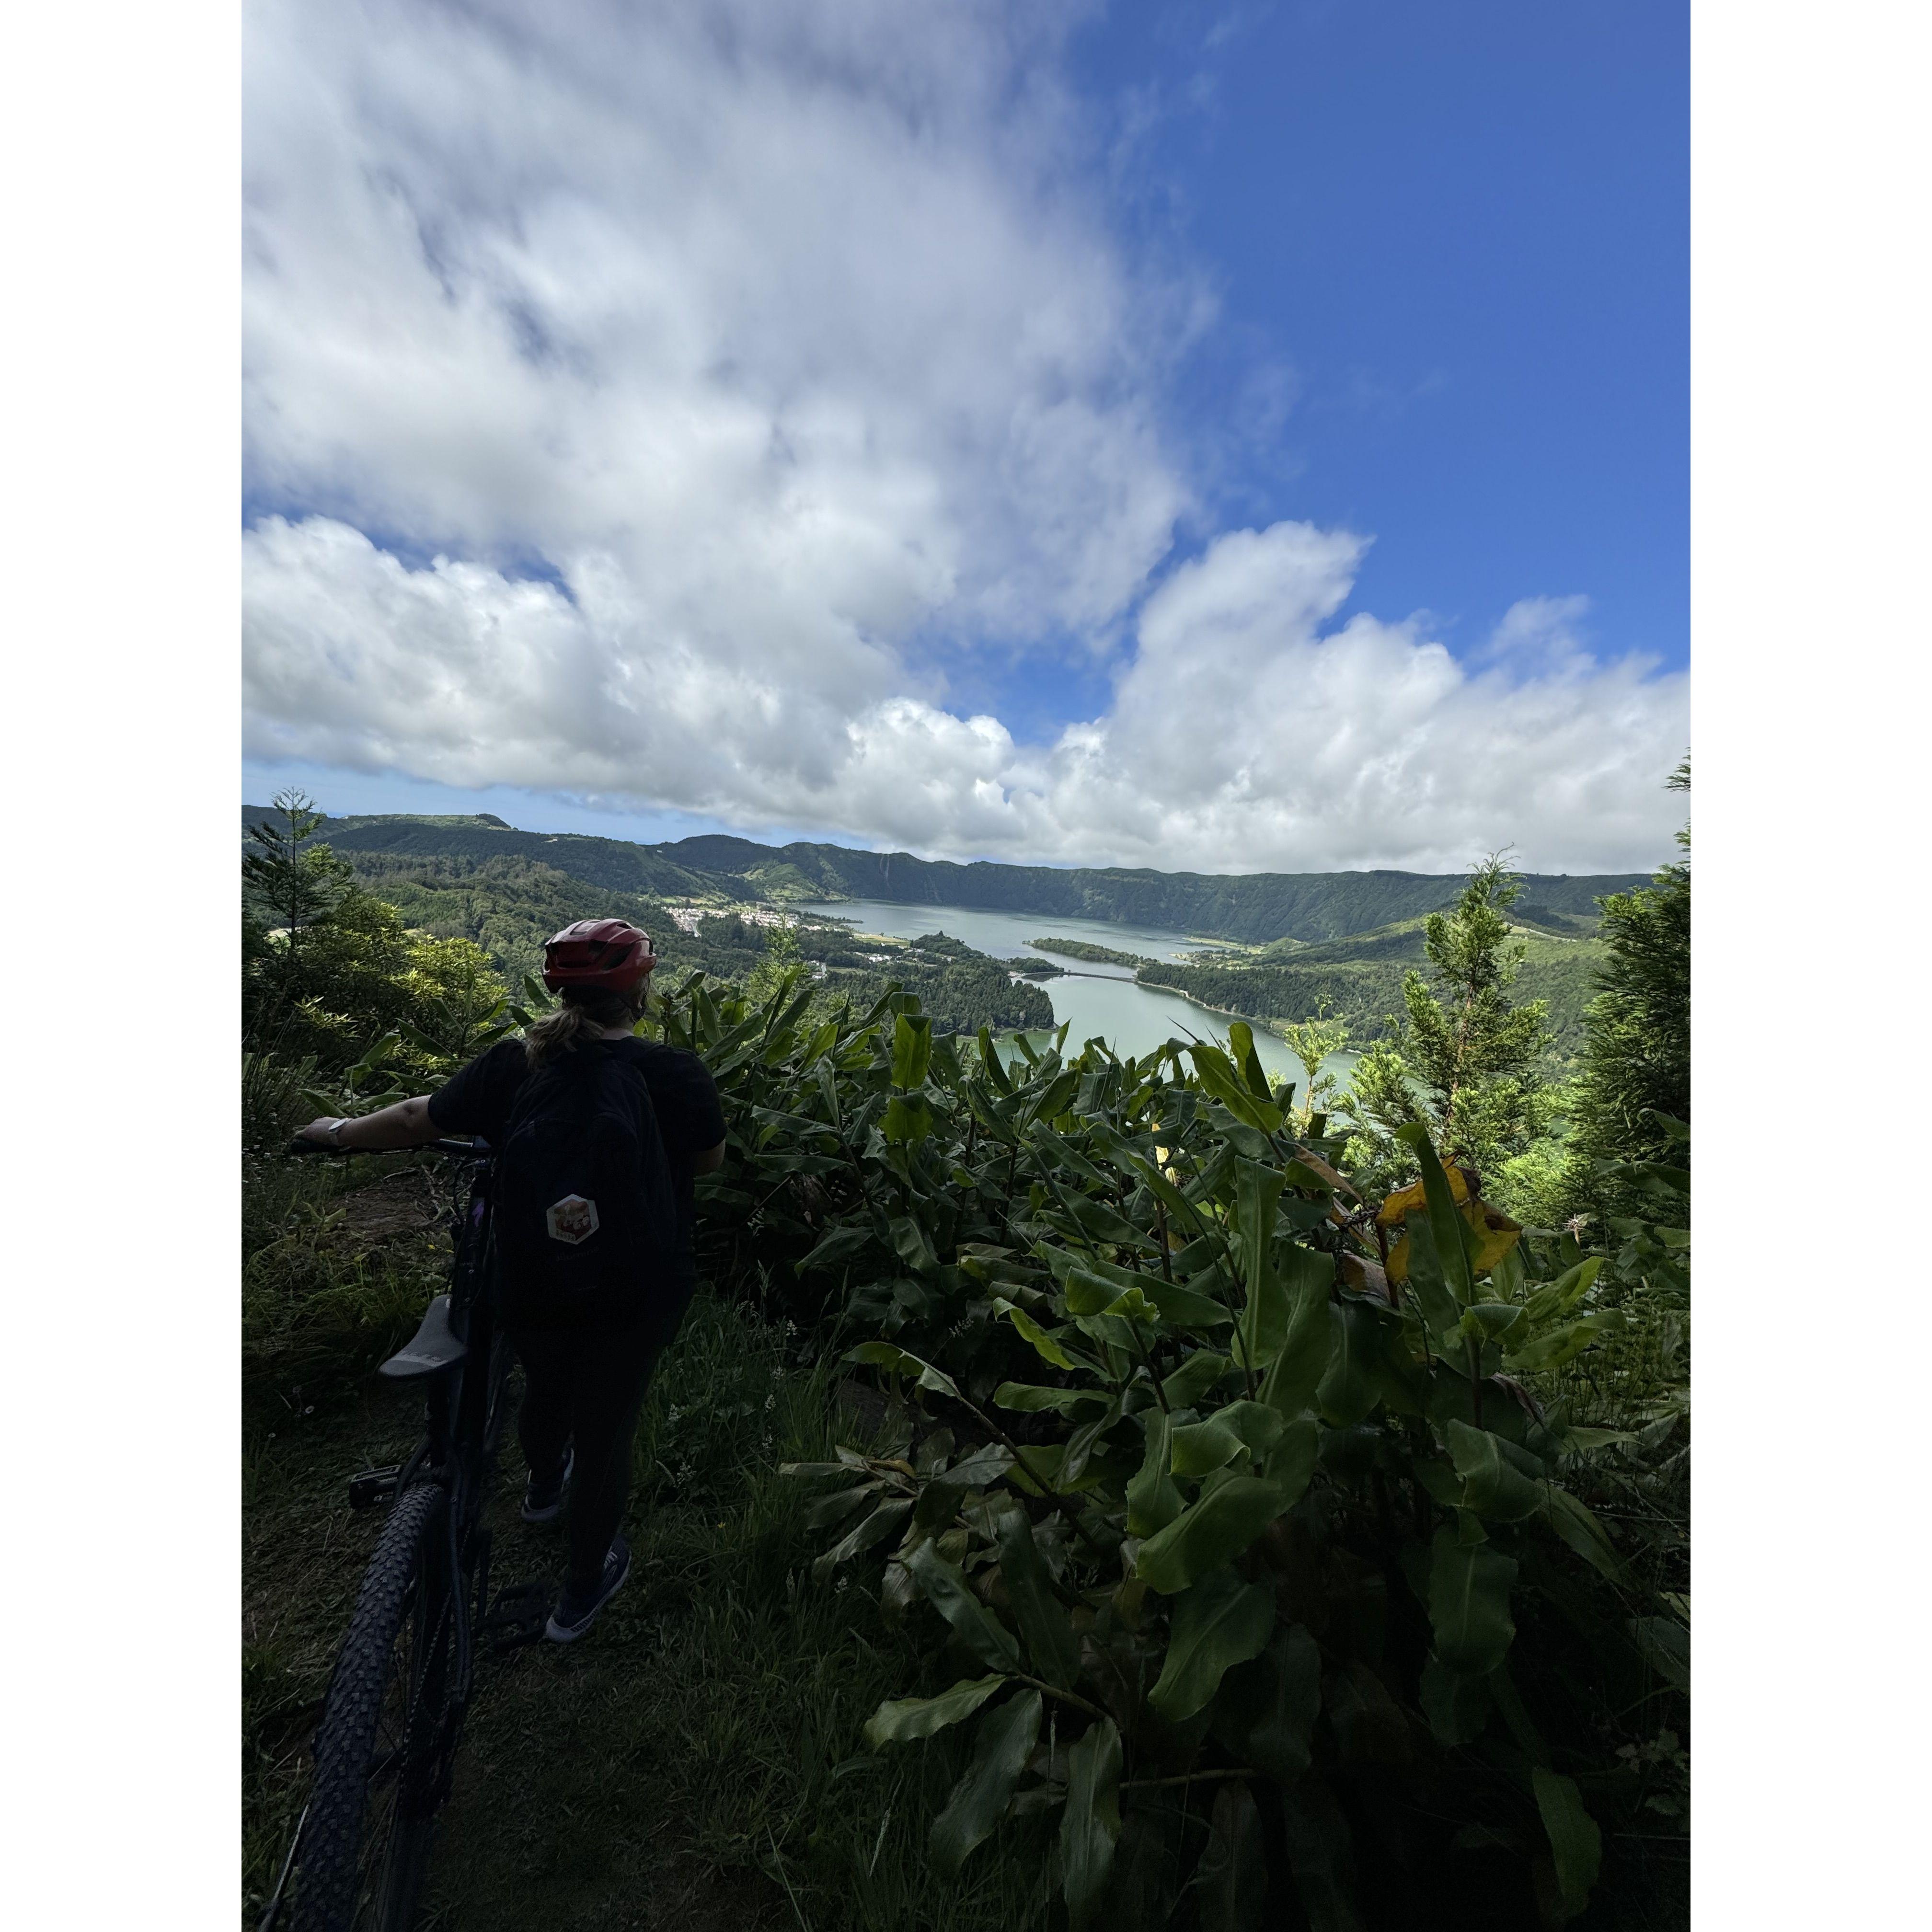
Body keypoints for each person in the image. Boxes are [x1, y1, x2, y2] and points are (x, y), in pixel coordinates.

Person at [298, 918, 725, 1642]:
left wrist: (336, 1132)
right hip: (639, 1287)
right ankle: (578, 1597)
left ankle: (538, 1490)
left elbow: (413, 1120)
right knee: (608, 1429)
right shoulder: (674, 1074)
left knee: (547, 1382)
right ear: (639, 992)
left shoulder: (514, 1065)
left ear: (557, 989)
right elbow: (709, 1163)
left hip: (534, 1274)